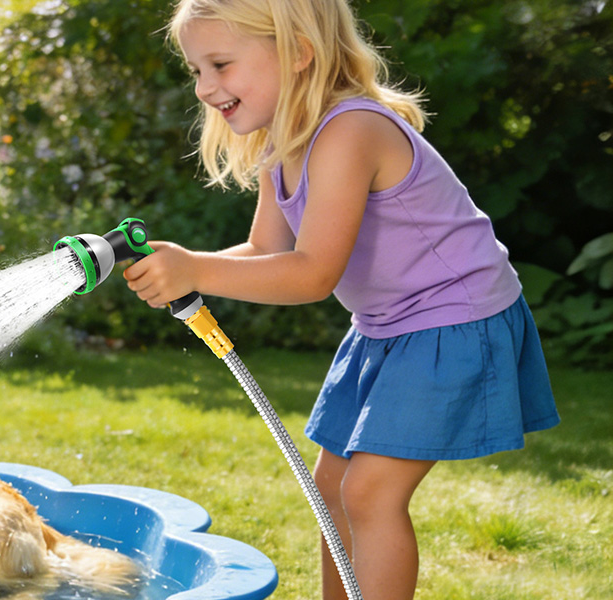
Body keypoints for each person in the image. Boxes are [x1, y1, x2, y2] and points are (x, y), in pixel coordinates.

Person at [126, 1, 560, 599]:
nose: (204, 88)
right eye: (196, 70)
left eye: (220, 64)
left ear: (298, 52)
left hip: (455, 320)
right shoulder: (285, 138)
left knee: (368, 493)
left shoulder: (350, 130)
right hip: (386, 326)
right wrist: (176, 267)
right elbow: (263, 248)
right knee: (331, 488)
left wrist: (194, 268)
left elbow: (310, 276)